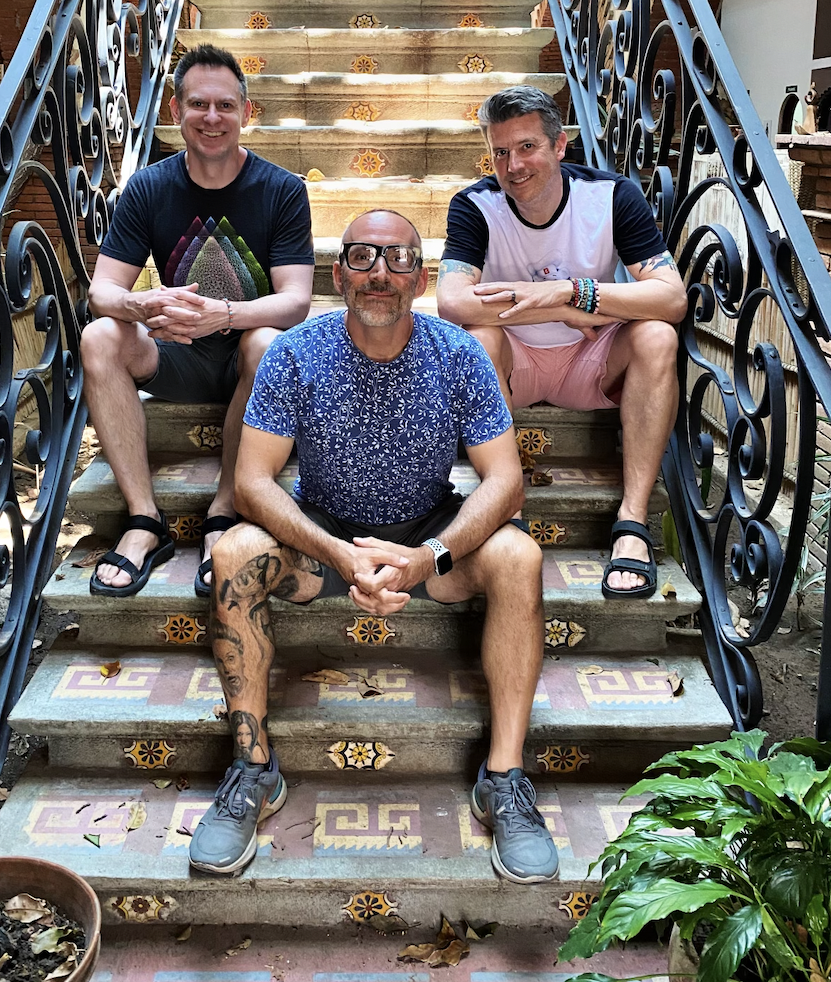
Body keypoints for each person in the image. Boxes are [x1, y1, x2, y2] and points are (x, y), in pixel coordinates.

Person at [188, 209, 559, 885]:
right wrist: (338, 553)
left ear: (421, 278)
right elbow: (251, 482)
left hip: (429, 534)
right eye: (361, 257)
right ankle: (252, 769)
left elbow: (506, 482)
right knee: (234, 553)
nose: (379, 273)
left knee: (520, 556)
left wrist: (429, 556)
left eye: (397, 259)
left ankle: (503, 779)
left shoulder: (460, 353)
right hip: (322, 535)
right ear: (339, 275)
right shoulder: (295, 353)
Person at [80, 43, 315, 598]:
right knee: (99, 336)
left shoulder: (282, 190)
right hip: (176, 354)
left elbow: (296, 301)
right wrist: (139, 306)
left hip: (250, 366)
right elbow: (101, 290)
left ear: (246, 113)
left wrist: (224, 315)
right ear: (175, 110)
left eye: (226, 106)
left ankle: (223, 512)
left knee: (266, 343)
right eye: (199, 104)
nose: (212, 118)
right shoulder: (148, 187)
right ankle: (144, 520)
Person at [436, 86, 688, 600]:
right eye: (500, 152)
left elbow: (671, 298)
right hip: (516, 362)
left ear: (559, 145)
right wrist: (560, 309)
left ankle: (632, 522)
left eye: (527, 147)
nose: (513, 166)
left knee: (658, 336)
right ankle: (504, 506)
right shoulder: (475, 205)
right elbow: (453, 303)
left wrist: (572, 292)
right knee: (480, 338)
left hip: (591, 360)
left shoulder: (612, 195)